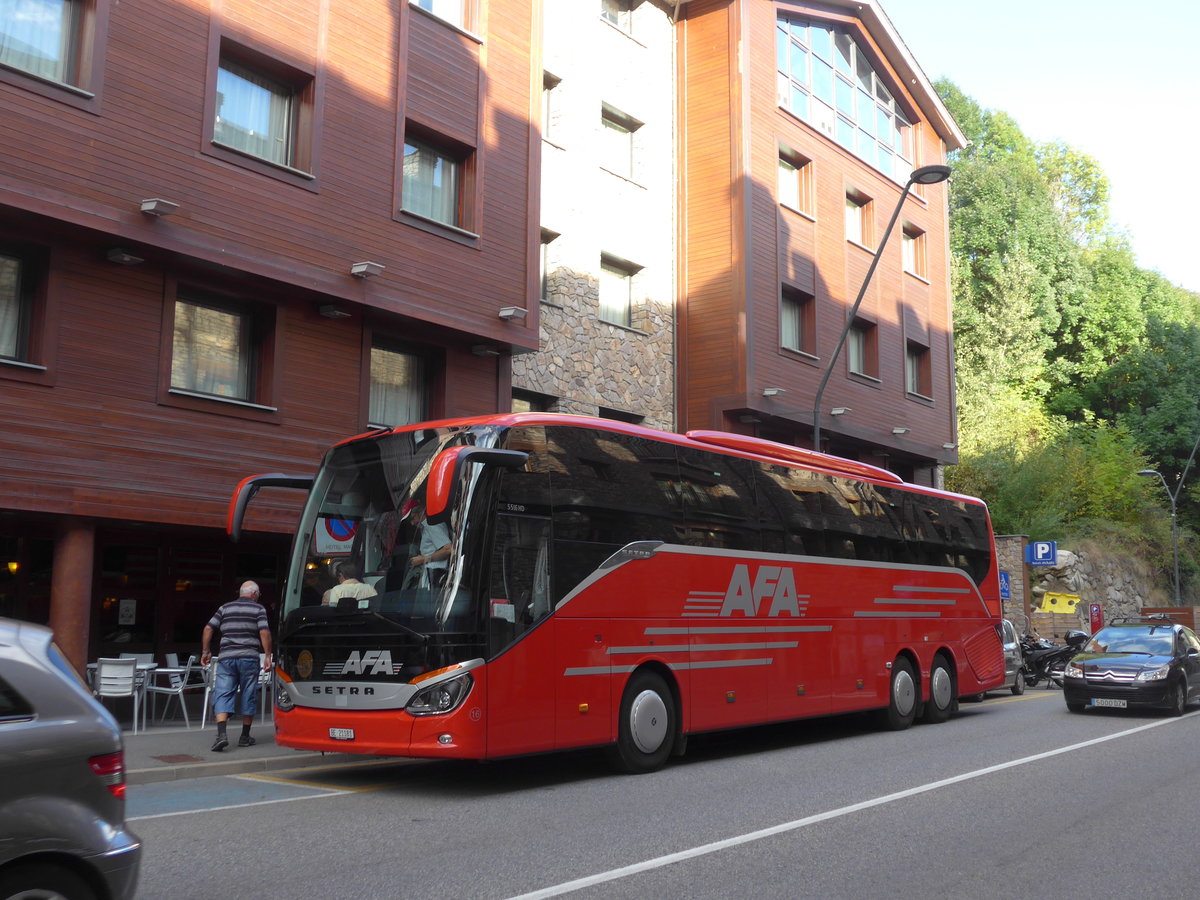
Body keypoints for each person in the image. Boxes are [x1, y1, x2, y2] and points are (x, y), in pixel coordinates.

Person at [200, 581, 272, 752]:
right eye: (258, 594)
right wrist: (268, 655)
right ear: (254, 593)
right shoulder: (258, 609)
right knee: (249, 693)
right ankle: (244, 737)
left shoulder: (224, 608)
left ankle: (222, 735)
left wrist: (205, 651)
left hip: (227, 658)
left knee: (223, 692)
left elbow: (208, 628)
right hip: (248, 658)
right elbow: (264, 632)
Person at [408, 502, 452, 589]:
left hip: (437, 574)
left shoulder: (432, 525)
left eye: (413, 518)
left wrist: (423, 559)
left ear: (421, 512)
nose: (412, 523)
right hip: (431, 574)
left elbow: (448, 549)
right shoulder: (425, 528)